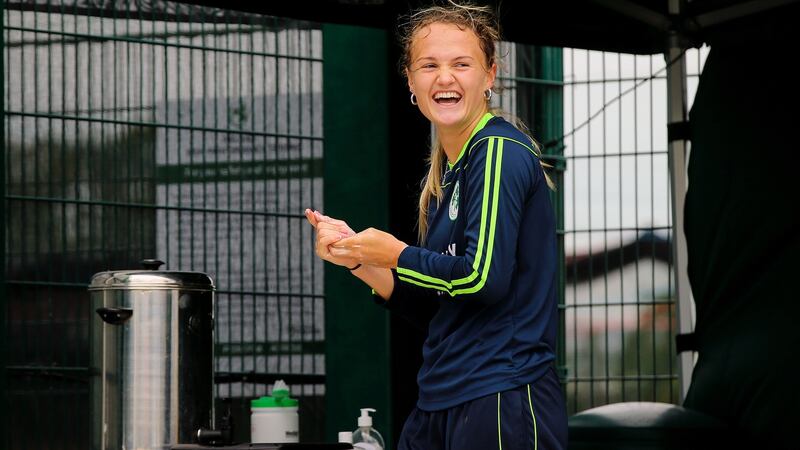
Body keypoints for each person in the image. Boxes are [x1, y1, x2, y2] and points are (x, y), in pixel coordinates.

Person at [305, 1, 567, 448]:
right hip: (440, 398)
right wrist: (360, 259)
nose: (445, 78)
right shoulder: (449, 171)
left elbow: (481, 279)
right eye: (429, 65)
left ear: (490, 75)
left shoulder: (498, 152)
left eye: (461, 64)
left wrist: (396, 254)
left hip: (500, 396)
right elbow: (439, 306)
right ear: (410, 80)